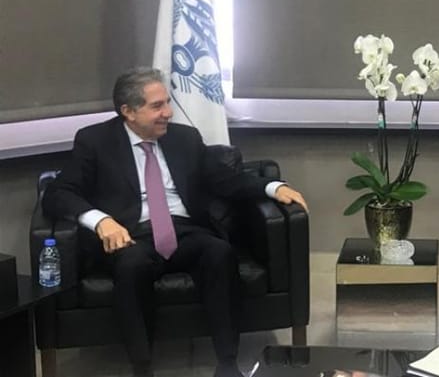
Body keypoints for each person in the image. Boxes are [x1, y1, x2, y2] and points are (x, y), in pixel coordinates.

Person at [42, 67, 308, 377]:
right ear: (128, 111)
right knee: (131, 266)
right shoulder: (95, 141)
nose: (168, 112)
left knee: (219, 252)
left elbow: (224, 179)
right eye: (157, 106)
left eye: (167, 102)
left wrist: (272, 187)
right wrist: (101, 221)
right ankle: (142, 368)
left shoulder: (185, 138)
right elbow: (58, 193)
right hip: (132, 234)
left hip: (184, 230)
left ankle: (227, 363)